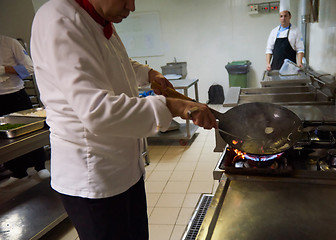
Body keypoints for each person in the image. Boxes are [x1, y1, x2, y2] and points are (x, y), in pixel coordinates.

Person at [30, 0, 217, 239]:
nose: (132, 6)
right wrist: (173, 106)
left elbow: (115, 62)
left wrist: (148, 74)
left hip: (124, 168)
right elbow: (97, 111)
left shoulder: (98, 19)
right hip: (93, 176)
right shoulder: (60, 19)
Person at [0, 35, 50, 188]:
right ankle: (18, 172)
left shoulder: (10, 43)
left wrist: (3, 69)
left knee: (31, 132)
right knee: (5, 138)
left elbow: (29, 69)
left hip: (16, 95)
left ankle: (40, 166)